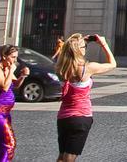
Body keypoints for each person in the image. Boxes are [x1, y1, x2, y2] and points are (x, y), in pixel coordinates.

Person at [51, 33, 115, 162]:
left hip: (63, 117)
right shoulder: (87, 68)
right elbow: (112, 64)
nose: (85, 48)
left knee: (61, 156)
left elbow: (66, 52)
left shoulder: (61, 68)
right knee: (69, 157)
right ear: (78, 50)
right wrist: (104, 44)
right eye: (84, 47)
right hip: (81, 117)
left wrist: (79, 42)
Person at [0, 45, 27, 162]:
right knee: (9, 144)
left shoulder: (7, 68)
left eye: (16, 57)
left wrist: (23, 76)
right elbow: (4, 87)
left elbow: (15, 84)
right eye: (13, 57)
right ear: (4, 56)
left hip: (6, 113)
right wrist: (11, 70)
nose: (15, 61)